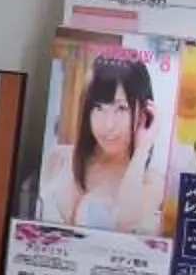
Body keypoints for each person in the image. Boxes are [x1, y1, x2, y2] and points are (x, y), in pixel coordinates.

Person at [37, 51, 170, 232]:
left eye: (121, 109)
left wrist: (142, 149)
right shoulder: (57, 158)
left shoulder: (150, 181)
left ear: (143, 112)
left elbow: (125, 223)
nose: (108, 125)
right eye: (98, 107)